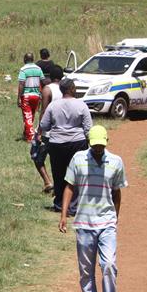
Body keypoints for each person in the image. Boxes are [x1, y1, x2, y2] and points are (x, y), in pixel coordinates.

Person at [59, 125, 127, 292]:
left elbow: (117, 192)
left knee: (109, 266)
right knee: (86, 271)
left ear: (106, 143)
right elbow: (69, 186)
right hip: (84, 224)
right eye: (95, 145)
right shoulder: (78, 159)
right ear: (89, 142)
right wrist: (63, 215)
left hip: (106, 224)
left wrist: (114, 218)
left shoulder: (116, 162)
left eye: (101, 146)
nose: (98, 149)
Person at [39, 77, 93, 214]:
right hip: (77, 143)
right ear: (71, 89)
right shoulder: (81, 105)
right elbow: (88, 128)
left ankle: (59, 204)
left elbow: (44, 125)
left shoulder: (53, 106)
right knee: (76, 174)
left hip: (57, 143)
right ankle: (73, 207)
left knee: (58, 174)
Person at [31, 64, 64, 193]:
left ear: (50, 76)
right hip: (61, 130)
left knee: (36, 156)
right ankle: (59, 186)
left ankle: (47, 182)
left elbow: (44, 111)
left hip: (48, 132)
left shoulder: (47, 89)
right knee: (57, 161)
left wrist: (40, 131)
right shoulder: (66, 89)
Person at [17, 52, 45, 141]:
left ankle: (30, 137)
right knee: (31, 116)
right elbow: (43, 82)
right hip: (36, 96)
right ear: (33, 59)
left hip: (26, 96)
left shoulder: (23, 69)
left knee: (27, 116)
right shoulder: (38, 69)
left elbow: (21, 84)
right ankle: (26, 133)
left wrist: (19, 97)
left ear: (25, 59)